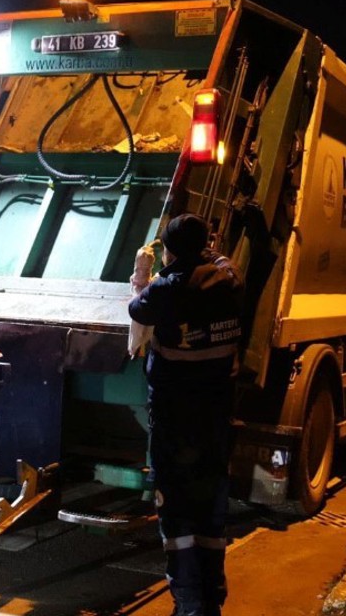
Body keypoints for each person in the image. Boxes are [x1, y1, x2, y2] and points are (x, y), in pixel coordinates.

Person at [128, 214, 243, 616]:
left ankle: (189, 604)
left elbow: (137, 308)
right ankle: (211, 598)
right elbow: (224, 263)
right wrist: (204, 253)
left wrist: (145, 273)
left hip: (175, 424)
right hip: (215, 421)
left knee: (177, 515)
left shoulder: (168, 288)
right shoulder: (229, 281)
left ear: (172, 251)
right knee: (210, 512)